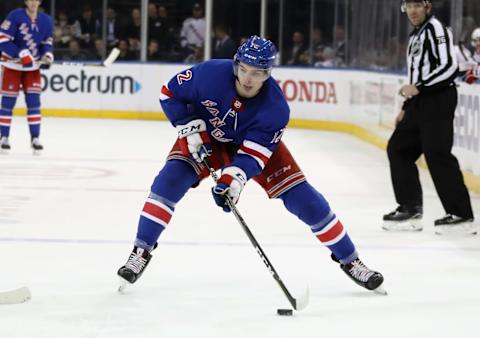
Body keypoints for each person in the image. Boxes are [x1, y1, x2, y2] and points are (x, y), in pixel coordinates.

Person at [117, 35, 385, 294]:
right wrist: (188, 126)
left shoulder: (275, 108)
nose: (248, 78)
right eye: (243, 69)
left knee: (307, 201)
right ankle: (140, 252)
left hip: (249, 144)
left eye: (257, 73)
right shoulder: (208, 73)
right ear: (235, 64)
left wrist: (233, 180)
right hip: (206, 137)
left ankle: (351, 260)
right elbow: (169, 93)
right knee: (167, 183)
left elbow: (251, 157)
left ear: (268, 73)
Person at [383, 0, 475, 235]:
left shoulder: (437, 30)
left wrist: (419, 88)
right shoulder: (416, 36)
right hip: (420, 100)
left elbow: (448, 67)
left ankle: (461, 215)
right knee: (399, 149)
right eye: (408, 6)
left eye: (417, 5)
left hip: (438, 98)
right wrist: (406, 105)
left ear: (427, 7)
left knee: (437, 154)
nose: (412, 11)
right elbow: (416, 75)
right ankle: (410, 207)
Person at [0, 0, 53, 154]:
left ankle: (35, 138)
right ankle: (4, 137)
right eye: (30, 0)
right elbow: (2, 39)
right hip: (12, 66)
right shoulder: (15, 16)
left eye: (35, 0)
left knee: (34, 103)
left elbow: (46, 42)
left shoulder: (46, 20)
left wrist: (47, 55)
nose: (33, 3)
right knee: (7, 104)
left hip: (32, 68)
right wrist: (20, 53)